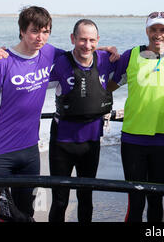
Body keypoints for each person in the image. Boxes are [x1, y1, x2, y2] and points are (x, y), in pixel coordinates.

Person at [0, 6, 65, 217]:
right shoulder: (0, 62)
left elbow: (79, 54)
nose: (40, 37)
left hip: (31, 151)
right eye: (34, 31)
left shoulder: (49, 52)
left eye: (45, 31)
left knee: (26, 212)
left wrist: (105, 50)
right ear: (22, 31)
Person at [107, 11, 164, 222]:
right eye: (154, 29)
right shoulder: (131, 55)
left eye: (163, 30)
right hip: (133, 139)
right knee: (136, 201)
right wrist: (99, 52)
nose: (158, 34)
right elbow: (108, 86)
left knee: (155, 199)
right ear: (147, 31)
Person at [47, 19, 118, 222]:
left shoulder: (105, 59)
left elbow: (136, 62)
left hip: (91, 143)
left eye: (92, 40)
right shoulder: (60, 62)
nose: (87, 45)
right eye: (82, 40)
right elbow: (31, 75)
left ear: (98, 41)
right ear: (72, 39)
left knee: (86, 197)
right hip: (62, 144)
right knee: (60, 200)